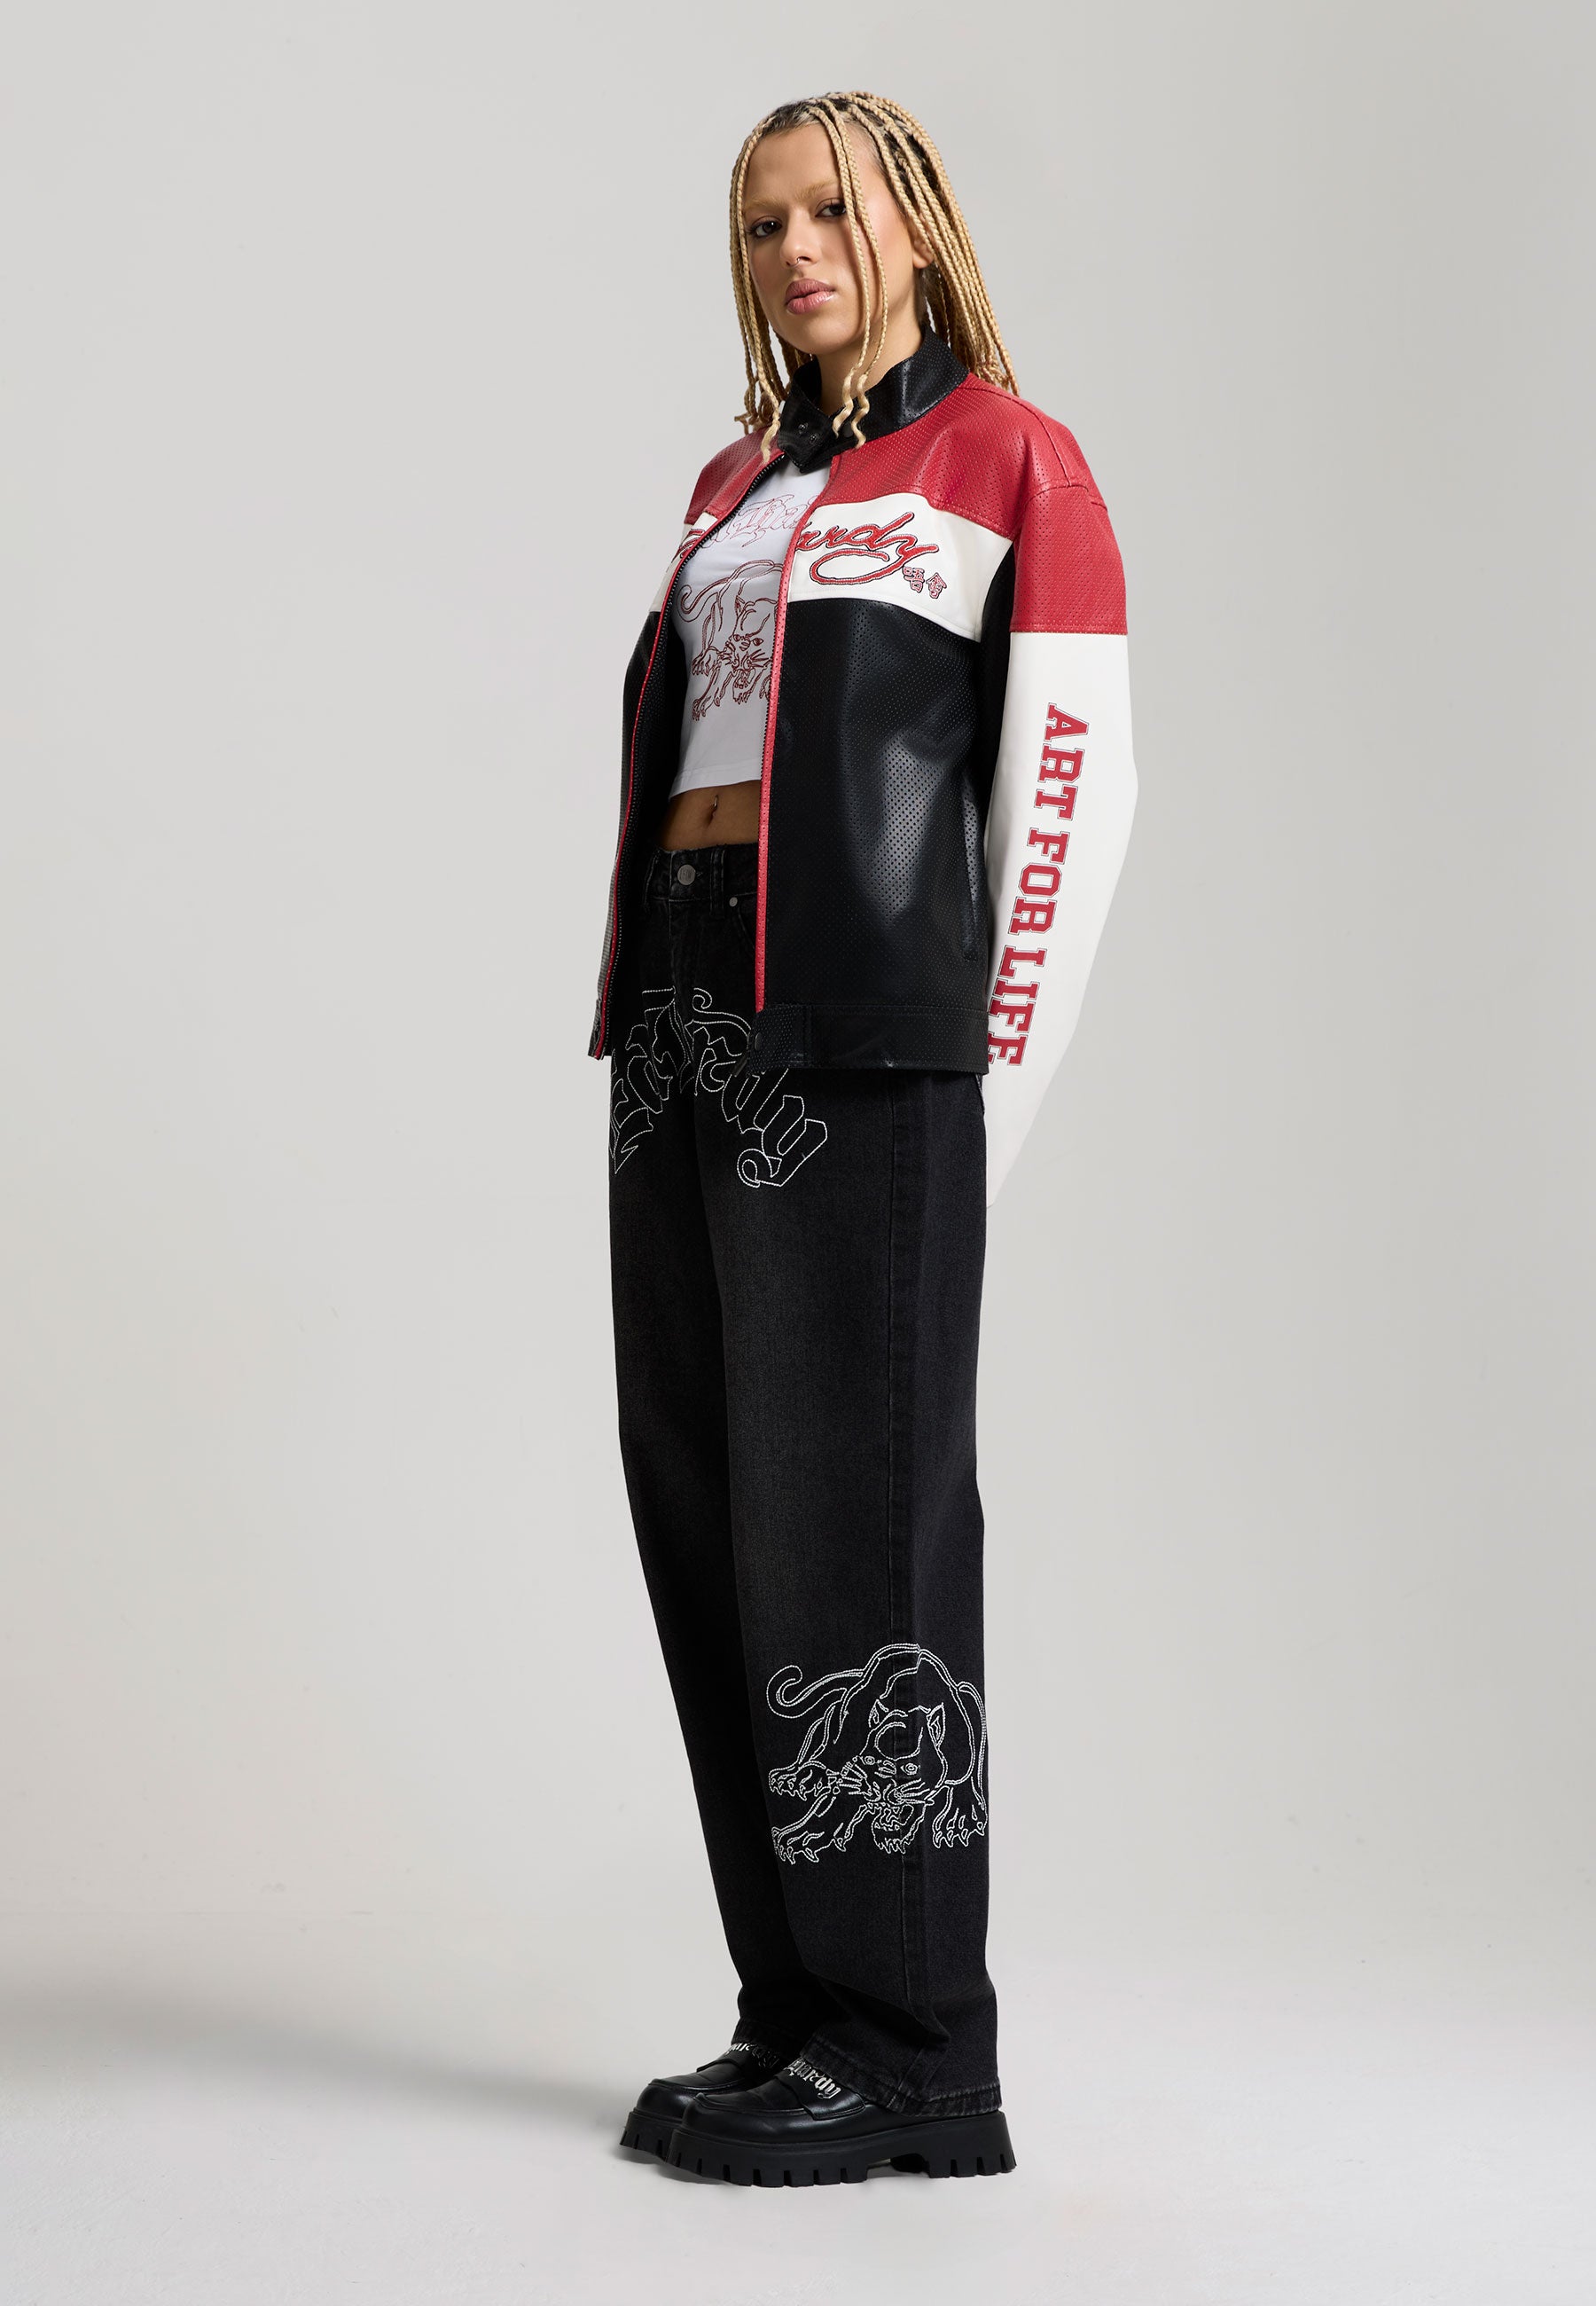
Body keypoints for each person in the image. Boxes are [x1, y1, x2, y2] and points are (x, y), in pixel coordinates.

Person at [590, 90, 1138, 2188]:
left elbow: (1070, 791)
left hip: (869, 1044)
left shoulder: (1012, 459)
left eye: (832, 208)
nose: (797, 248)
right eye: (762, 222)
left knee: (857, 1527)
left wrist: (980, 1096)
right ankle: (796, 2003)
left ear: (916, 221)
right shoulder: (731, 484)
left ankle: (915, 2041)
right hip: (684, 1025)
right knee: (709, 1508)